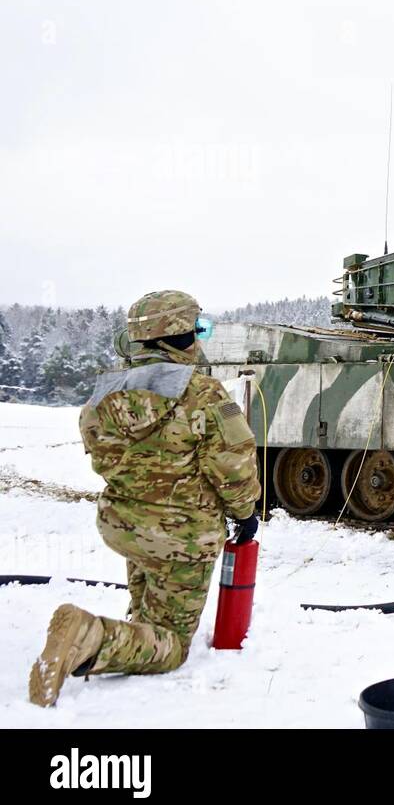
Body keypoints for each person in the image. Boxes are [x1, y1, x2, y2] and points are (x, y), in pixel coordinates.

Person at [29, 290, 261, 707]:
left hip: (123, 526)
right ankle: (88, 636)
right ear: (179, 336)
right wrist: (245, 513)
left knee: (148, 604)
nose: (200, 339)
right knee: (171, 645)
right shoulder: (204, 393)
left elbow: (103, 457)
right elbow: (234, 464)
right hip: (183, 537)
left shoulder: (102, 395)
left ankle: (136, 627)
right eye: (197, 330)